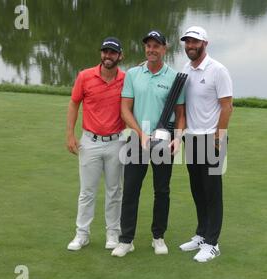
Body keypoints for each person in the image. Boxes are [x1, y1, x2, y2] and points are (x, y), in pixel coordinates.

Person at [111, 30, 185, 257]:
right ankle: (126, 240)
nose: (152, 49)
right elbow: (125, 109)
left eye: (156, 46)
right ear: (145, 48)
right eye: (148, 46)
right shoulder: (133, 74)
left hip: (164, 140)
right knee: (131, 189)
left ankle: (158, 237)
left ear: (165, 49)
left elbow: (180, 113)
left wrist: (179, 137)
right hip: (135, 139)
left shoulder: (173, 77)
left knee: (162, 190)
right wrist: (140, 133)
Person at [179, 26, 233, 262]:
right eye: (187, 42)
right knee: (197, 190)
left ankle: (213, 243)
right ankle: (202, 234)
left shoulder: (218, 70)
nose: (190, 46)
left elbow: (227, 106)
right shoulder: (185, 69)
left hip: (212, 139)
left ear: (205, 44)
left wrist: (219, 139)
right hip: (191, 138)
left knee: (212, 192)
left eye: (195, 42)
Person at [66, 37, 126, 251]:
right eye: (105, 52)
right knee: (87, 191)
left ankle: (113, 233)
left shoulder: (126, 79)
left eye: (112, 53)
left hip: (117, 142)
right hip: (89, 141)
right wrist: (70, 134)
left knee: (114, 190)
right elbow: (74, 104)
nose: (107, 56)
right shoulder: (85, 76)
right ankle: (82, 234)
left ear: (120, 56)